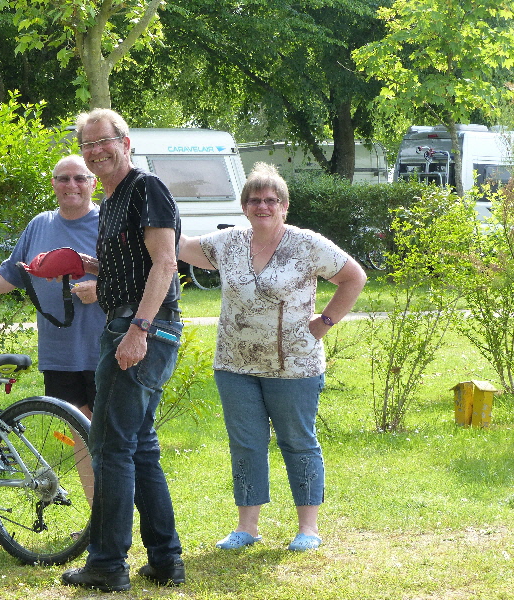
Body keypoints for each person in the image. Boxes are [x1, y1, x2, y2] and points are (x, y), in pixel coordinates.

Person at [178, 161, 367, 552]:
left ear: (284, 205)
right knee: (246, 443)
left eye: (270, 200)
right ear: (244, 206)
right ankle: (246, 528)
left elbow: (355, 277)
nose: (262, 206)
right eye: (254, 200)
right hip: (235, 364)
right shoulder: (227, 242)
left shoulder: (307, 243)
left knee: (298, 442)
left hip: (294, 365)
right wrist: (152, 220)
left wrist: (325, 321)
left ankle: (308, 529)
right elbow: (179, 246)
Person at [61, 109, 185, 593]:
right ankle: (164, 560)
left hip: (140, 330)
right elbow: (133, 259)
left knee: (109, 445)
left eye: (103, 142)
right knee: (140, 447)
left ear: (125, 142)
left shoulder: (145, 187)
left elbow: (166, 263)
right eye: (87, 145)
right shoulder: (112, 200)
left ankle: (108, 565)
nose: (95, 152)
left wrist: (138, 329)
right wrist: (92, 263)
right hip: (129, 324)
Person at [0, 155, 104, 422]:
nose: (72, 184)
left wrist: (101, 289)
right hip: (59, 354)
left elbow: (138, 279)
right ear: (53, 184)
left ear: (93, 184)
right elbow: (7, 276)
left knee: (111, 439)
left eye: (80, 178)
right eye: (64, 178)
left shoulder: (108, 223)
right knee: (80, 436)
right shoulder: (40, 225)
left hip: (104, 350)